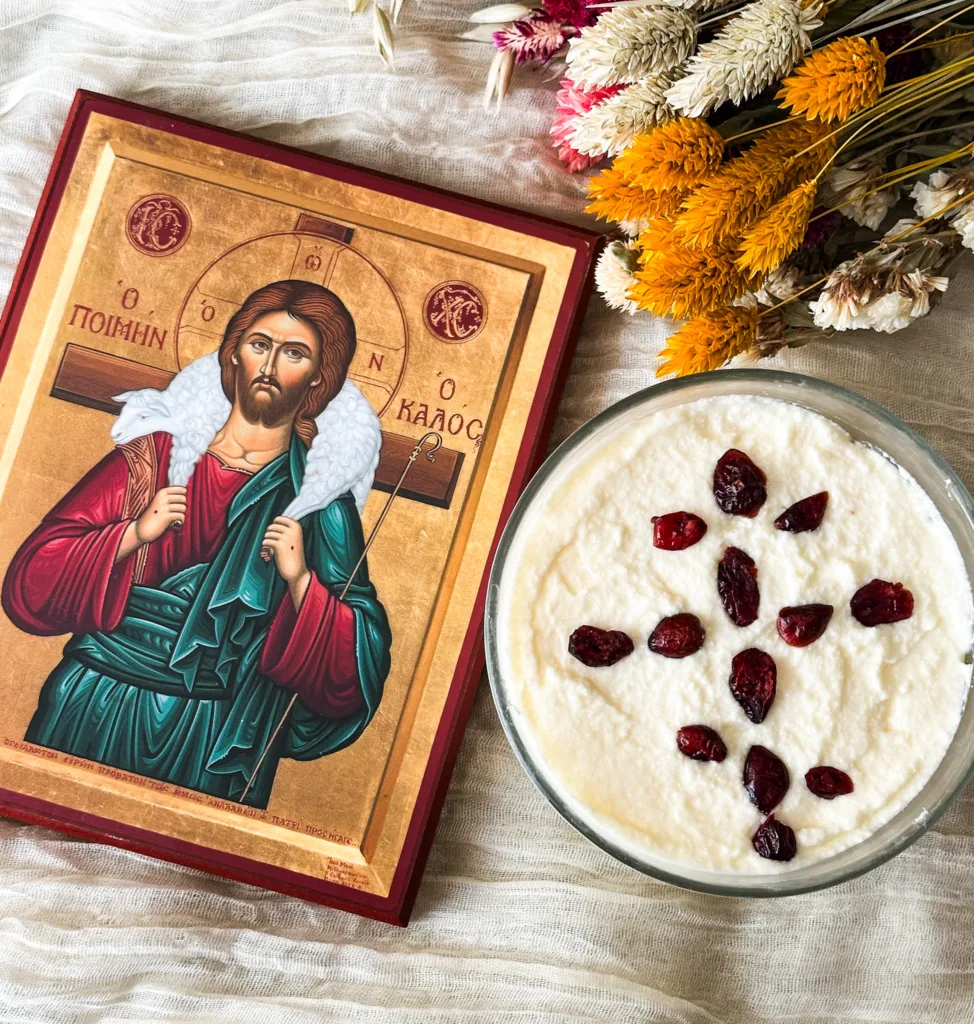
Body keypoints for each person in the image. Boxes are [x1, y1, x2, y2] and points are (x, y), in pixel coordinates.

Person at [2, 280, 391, 809]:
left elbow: (357, 672)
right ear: (232, 354)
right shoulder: (151, 462)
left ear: (320, 378)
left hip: (214, 733)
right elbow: (29, 583)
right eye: (259, 344)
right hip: (95, 700)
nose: (270, 366)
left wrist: (302, 582)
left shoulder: (319, 504)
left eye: (294, 353)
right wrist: (131, 534)